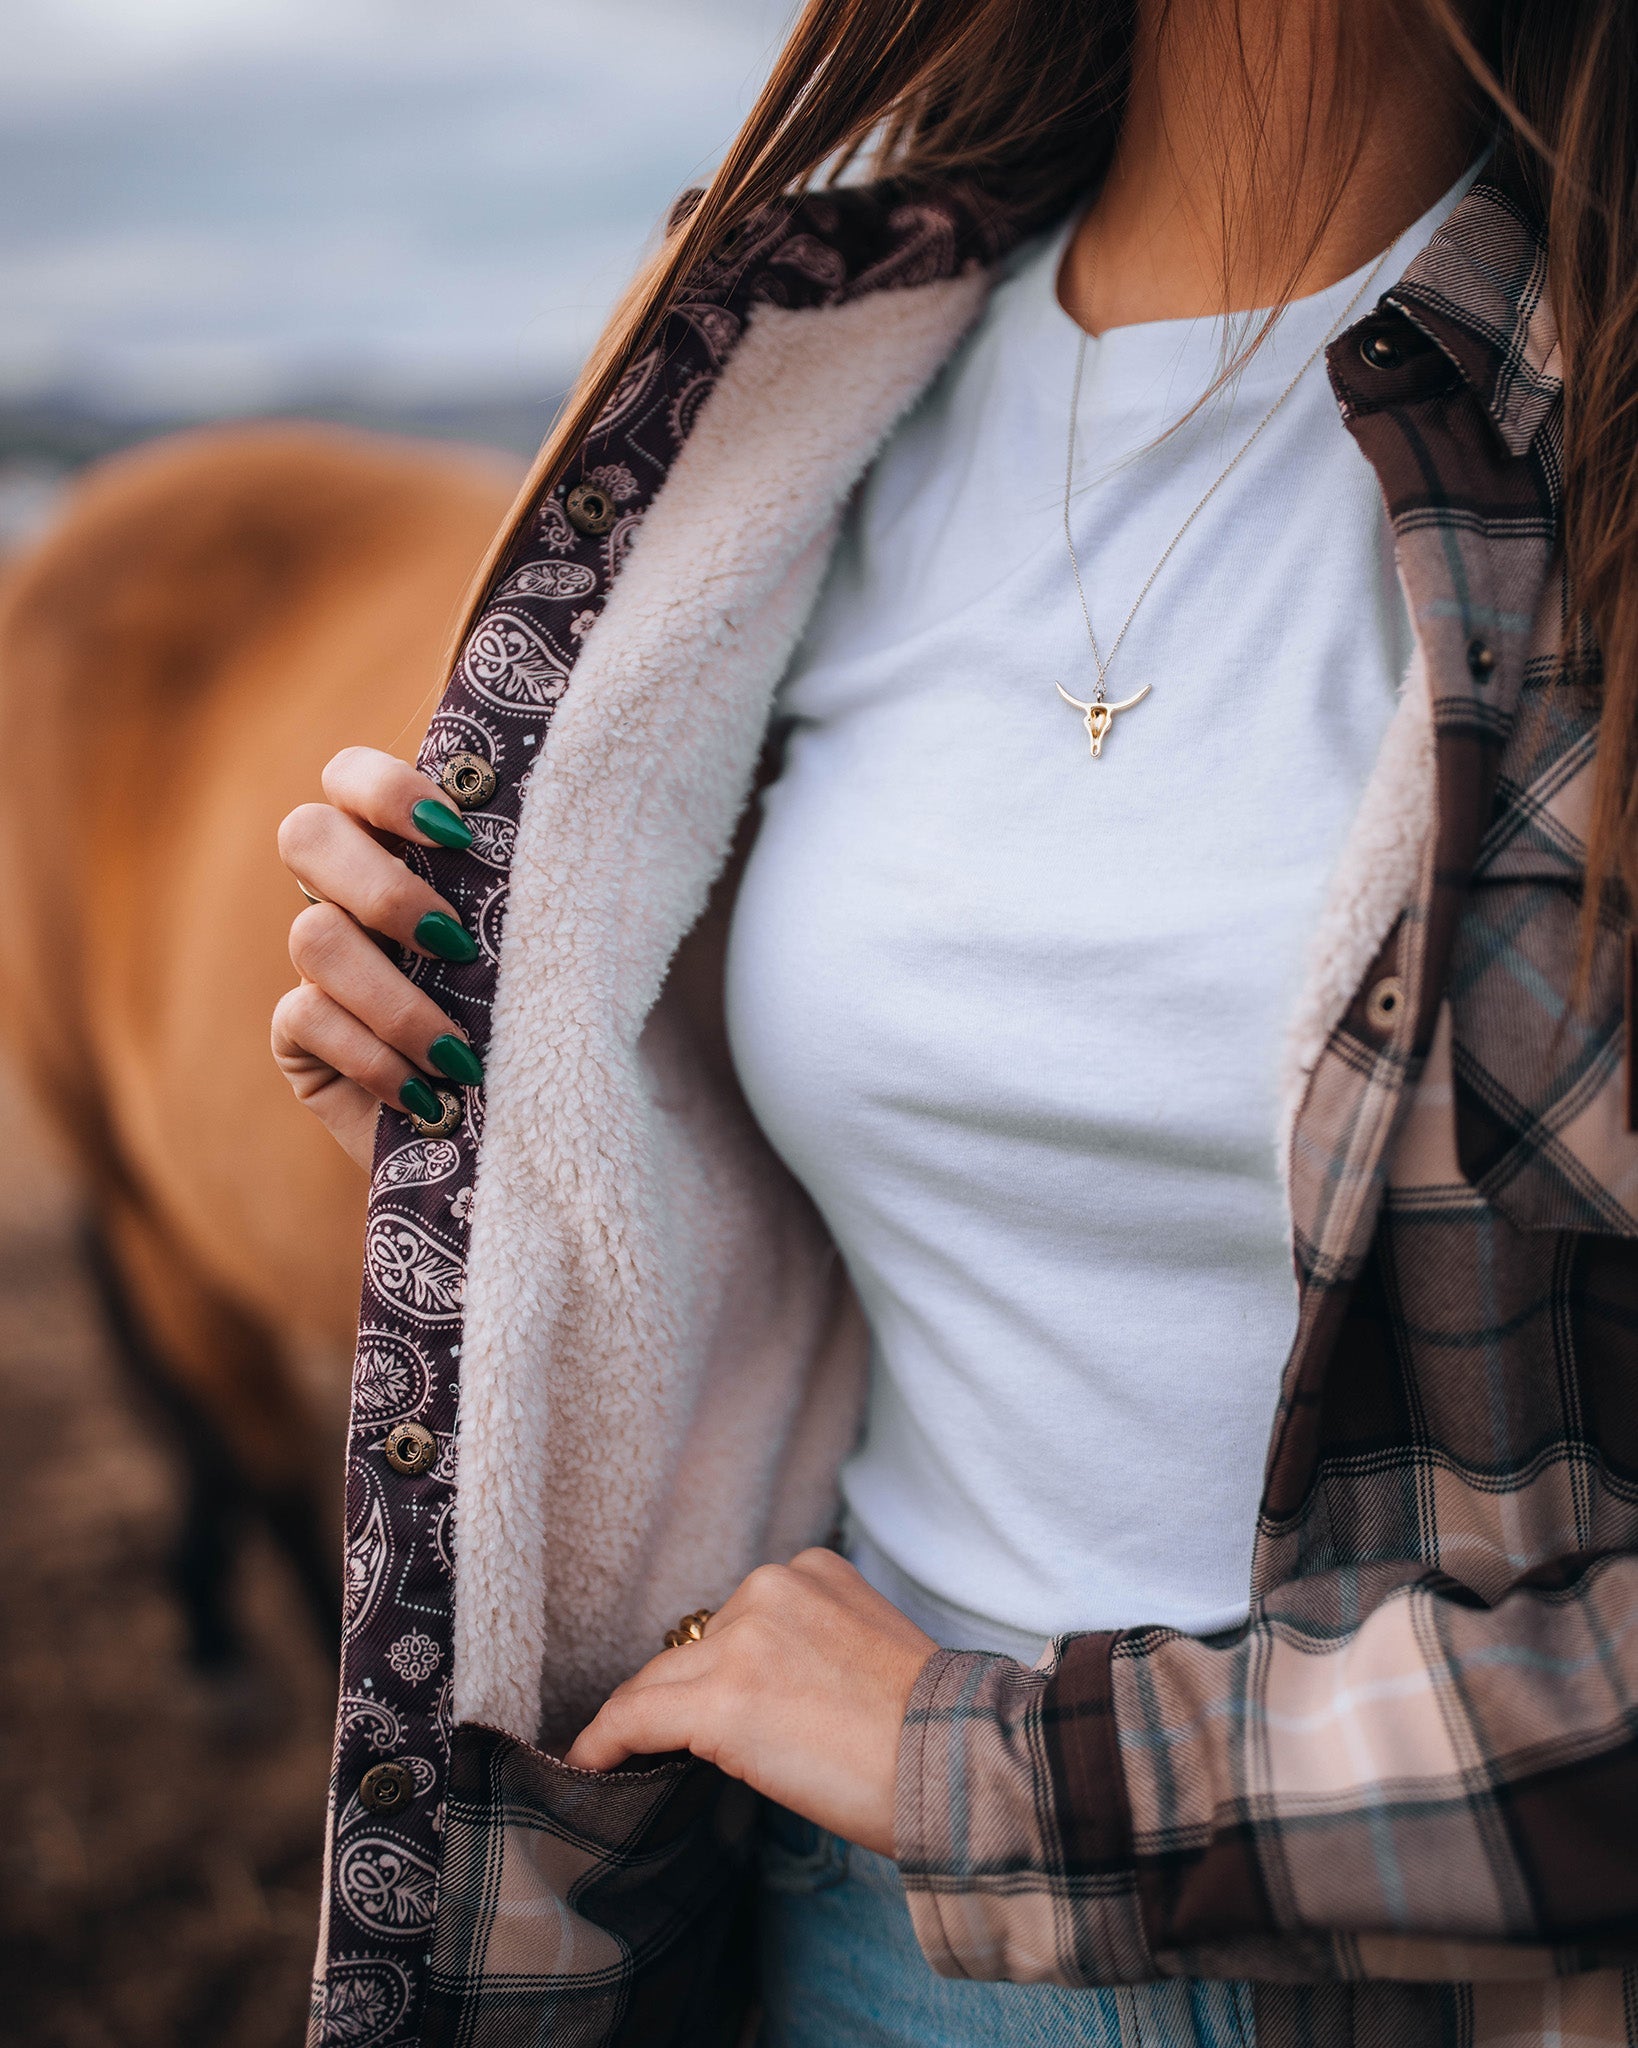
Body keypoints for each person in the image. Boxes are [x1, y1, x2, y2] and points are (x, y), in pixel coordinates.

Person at [276, 3, 1638, 2044]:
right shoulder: (795, 371)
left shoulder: (1578, 442)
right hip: (856, 1937)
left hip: (1450, 1991)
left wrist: (999, 1766)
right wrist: (489, 1129)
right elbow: (763, 1220)